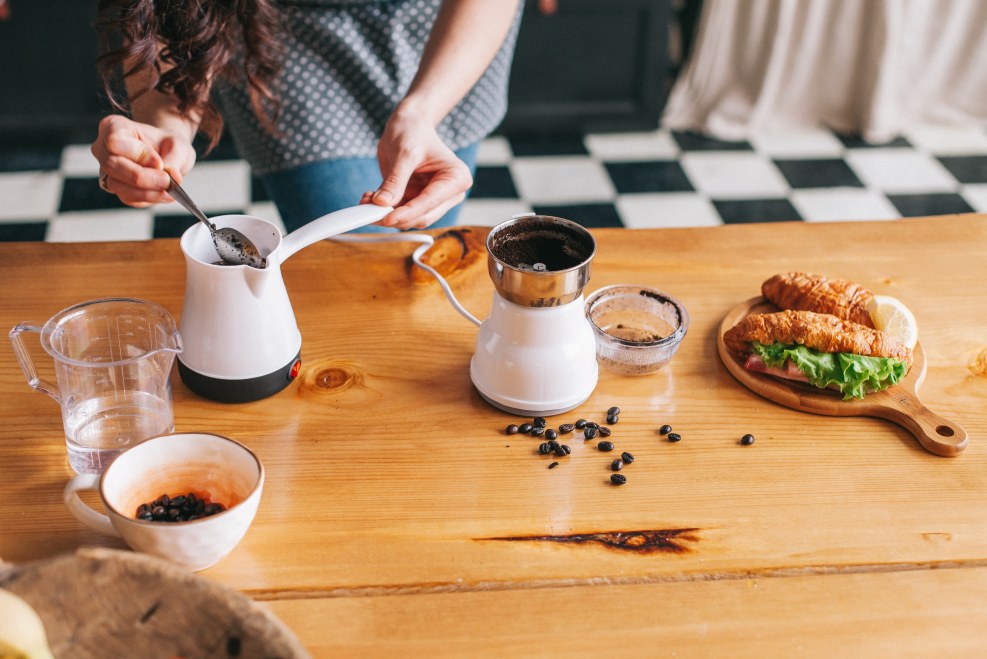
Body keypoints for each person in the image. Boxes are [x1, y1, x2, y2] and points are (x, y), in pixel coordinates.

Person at [90, 0, 523, 233]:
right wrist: (165, 130)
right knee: (355, 254)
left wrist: (423, 111)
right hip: (284, 28)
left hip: (449, 23)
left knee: (422, 226)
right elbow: (174, 10)